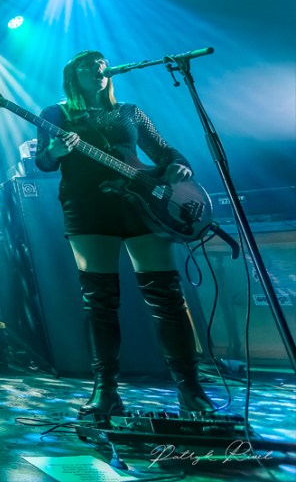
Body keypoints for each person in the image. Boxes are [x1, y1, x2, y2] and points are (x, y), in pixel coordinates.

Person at [34, 50, 214, 418]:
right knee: (99, 299)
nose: (98, 70)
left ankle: (190, 389)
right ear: (73, 75)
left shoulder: (129, 111)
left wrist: (180, 165)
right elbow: (44, 161)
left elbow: (163, 151)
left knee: (166, 295)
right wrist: (53, 151)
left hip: (143, 205)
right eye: (88, 66)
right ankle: (106, 391)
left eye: (102, 65)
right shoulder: (56, 113)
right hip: (87, 206)